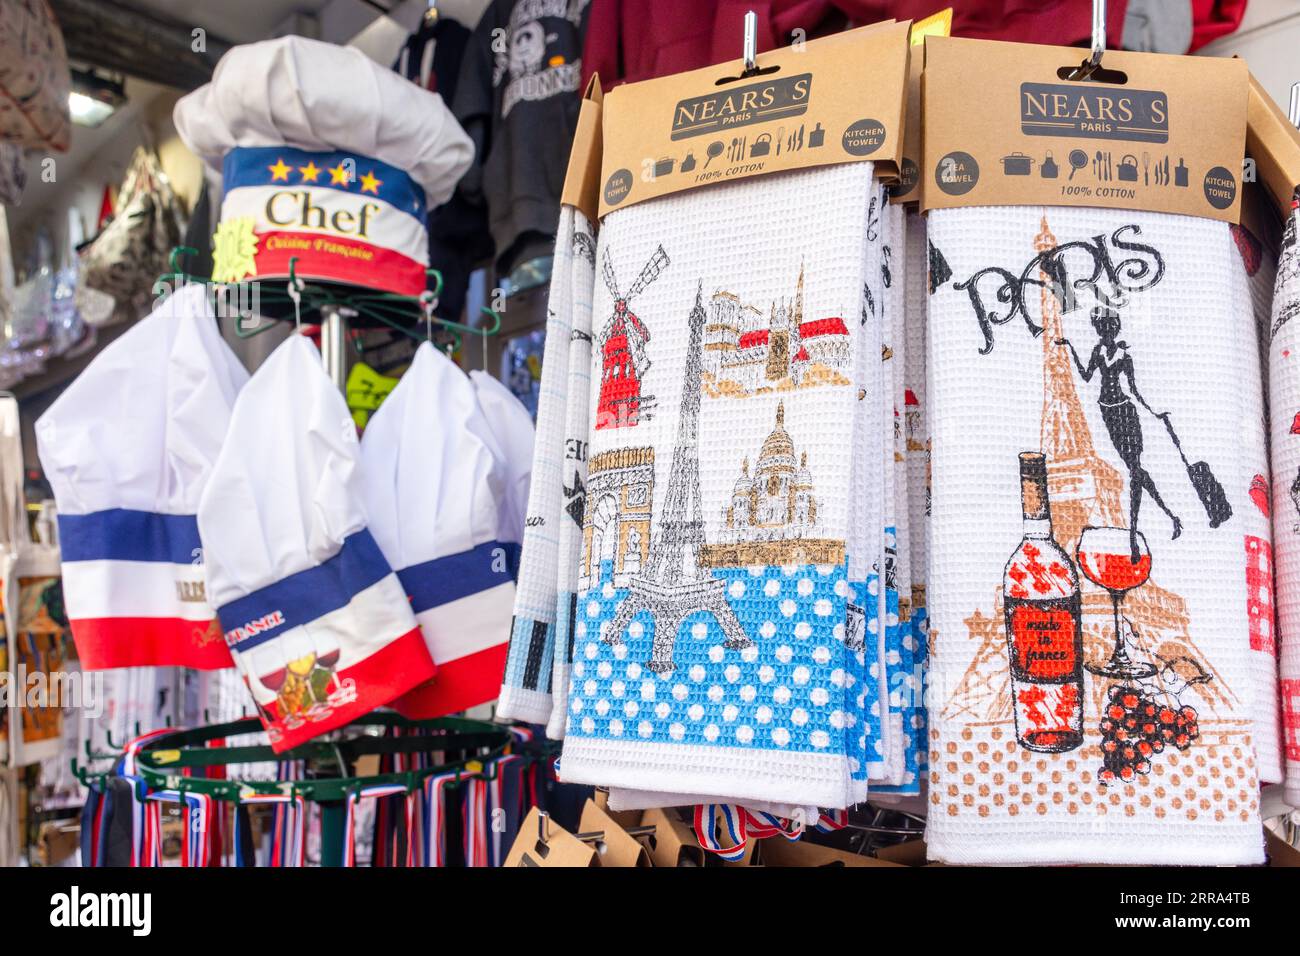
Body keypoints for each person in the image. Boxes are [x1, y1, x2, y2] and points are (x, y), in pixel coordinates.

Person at [1057, 305, 1182, 560]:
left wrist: (1154, 413)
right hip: (1109, 413)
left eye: (1107, 327)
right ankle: (1168, 516)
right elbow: (1085, 375)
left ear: (1114, 328)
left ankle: (1134, 535)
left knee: (1135, 470)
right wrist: (1070, 346)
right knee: (1136, 470)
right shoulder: (1099, 351)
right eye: (1101, 328)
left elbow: (1134, 390)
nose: (1104, 331)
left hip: (1125, 411)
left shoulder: (1124, 355)